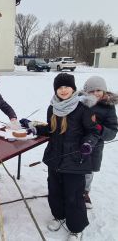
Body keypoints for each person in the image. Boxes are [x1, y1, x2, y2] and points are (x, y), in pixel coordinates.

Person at [22, 73, 99, 240]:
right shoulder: (53, 107)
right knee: (54, 191)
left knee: (73, 195)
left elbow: (93, 132)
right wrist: (36, 129)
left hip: (75, 160)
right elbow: (52, 129)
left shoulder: (83, 108)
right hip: (55, 158)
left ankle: (76, 228)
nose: (63, 90)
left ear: (73, 88)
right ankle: (59, 216)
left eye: (66, 87)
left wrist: (88, 144)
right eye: (59, 87)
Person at [83, 76, 118, 209]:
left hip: (94, 147)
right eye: (92, 91)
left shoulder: (108, 108)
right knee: (74, 169)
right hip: (77, 142)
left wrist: (97, 126)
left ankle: (85, 193)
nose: (95, 93)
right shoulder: (82, 103)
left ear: (104, 91)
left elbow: (112, 132)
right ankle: (72, 190)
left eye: (98, 90)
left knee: (88, 172)